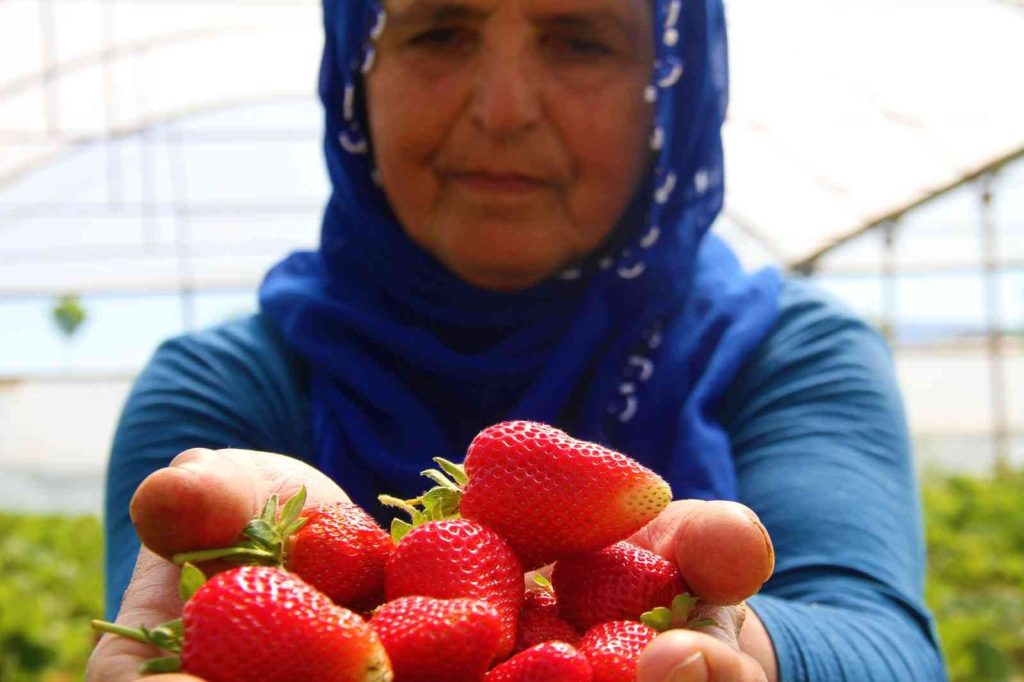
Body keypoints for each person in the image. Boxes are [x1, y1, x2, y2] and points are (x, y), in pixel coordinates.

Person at [87, 0, 948, 679]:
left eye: (579, 41)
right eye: (439, 30)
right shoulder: (221, 389)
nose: (503, 110)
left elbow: (884, 645)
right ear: (358, 74)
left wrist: (738, 645)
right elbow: (202, 628)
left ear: (672, 88)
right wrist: (244, 596)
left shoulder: (789, 352)